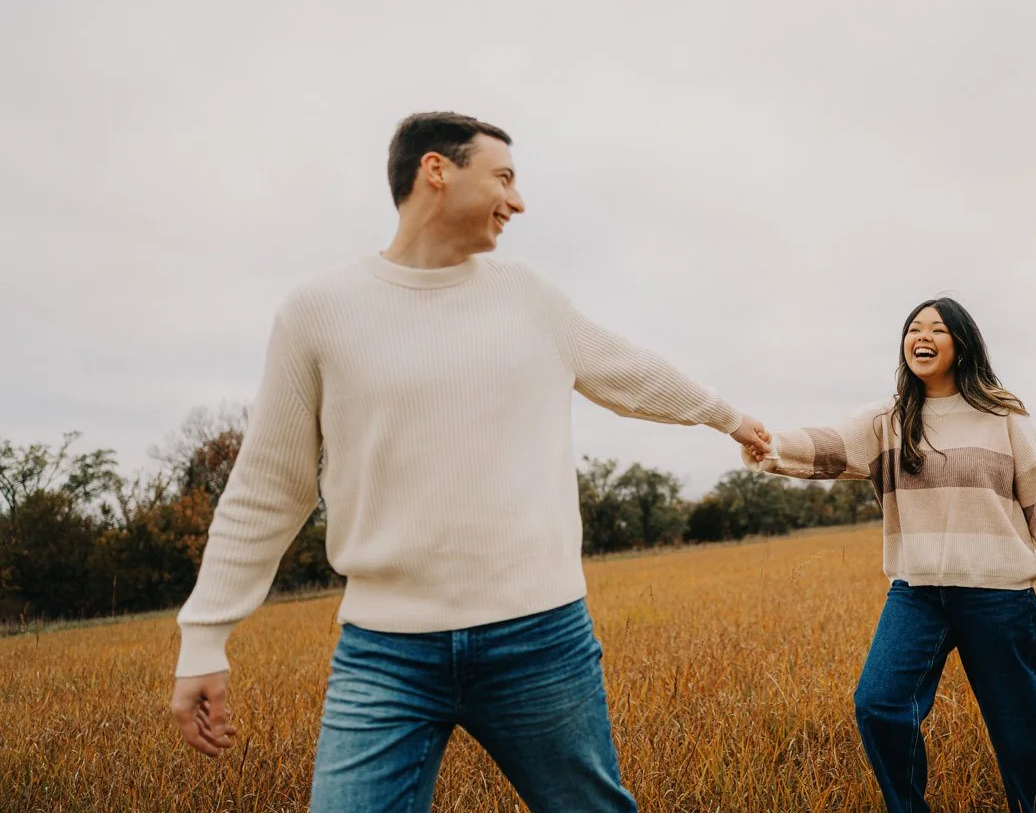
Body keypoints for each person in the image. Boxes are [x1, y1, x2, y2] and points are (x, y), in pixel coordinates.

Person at [168, 111, 771, 813]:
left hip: (540, 637)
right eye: (504, 179)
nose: (518, 202)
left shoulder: (528, 297)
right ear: (436, 170)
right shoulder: (318, 311)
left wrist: (727, 417)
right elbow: (268, 488)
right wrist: (203, 637)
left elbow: (628, 370)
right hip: (383, 655)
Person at [745, 297, 1036, 813]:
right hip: (917, 593)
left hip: (997, 596)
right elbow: (829, 445)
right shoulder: (887, 421)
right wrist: (769, 443)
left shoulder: (1003, 417)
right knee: (879, 706)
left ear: (962, 343)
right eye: (914, 328)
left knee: (1018, 730)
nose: (923, 336)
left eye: (937, 328)